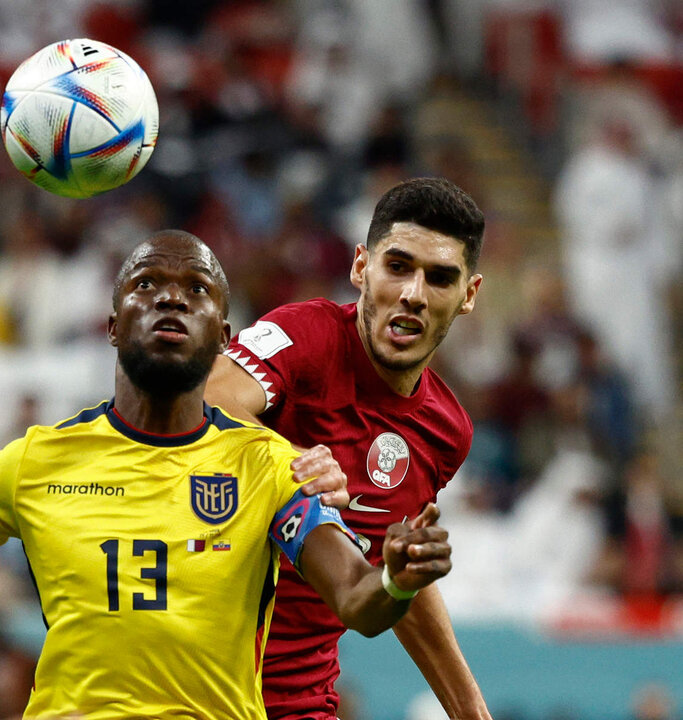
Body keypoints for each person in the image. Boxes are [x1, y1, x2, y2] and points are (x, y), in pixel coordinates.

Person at [0, 230, 454, 719]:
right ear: (113, 325)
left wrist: (396, 578)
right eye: (147, 285)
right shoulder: (33, 461)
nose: (171, 298)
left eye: (197, 288)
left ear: (222, 337)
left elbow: (356, 598)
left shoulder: (268, 467)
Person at [205, 177, 492, 719]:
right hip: (194, 690)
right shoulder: (305, 338)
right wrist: (292, 463)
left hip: (300, 704)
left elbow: (392, 571)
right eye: (398, 266)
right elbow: (206, 404)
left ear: (468, 295)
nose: (413, 292)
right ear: (361, 267)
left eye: (440, 277)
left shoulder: (446, 432)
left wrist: (471, 711)